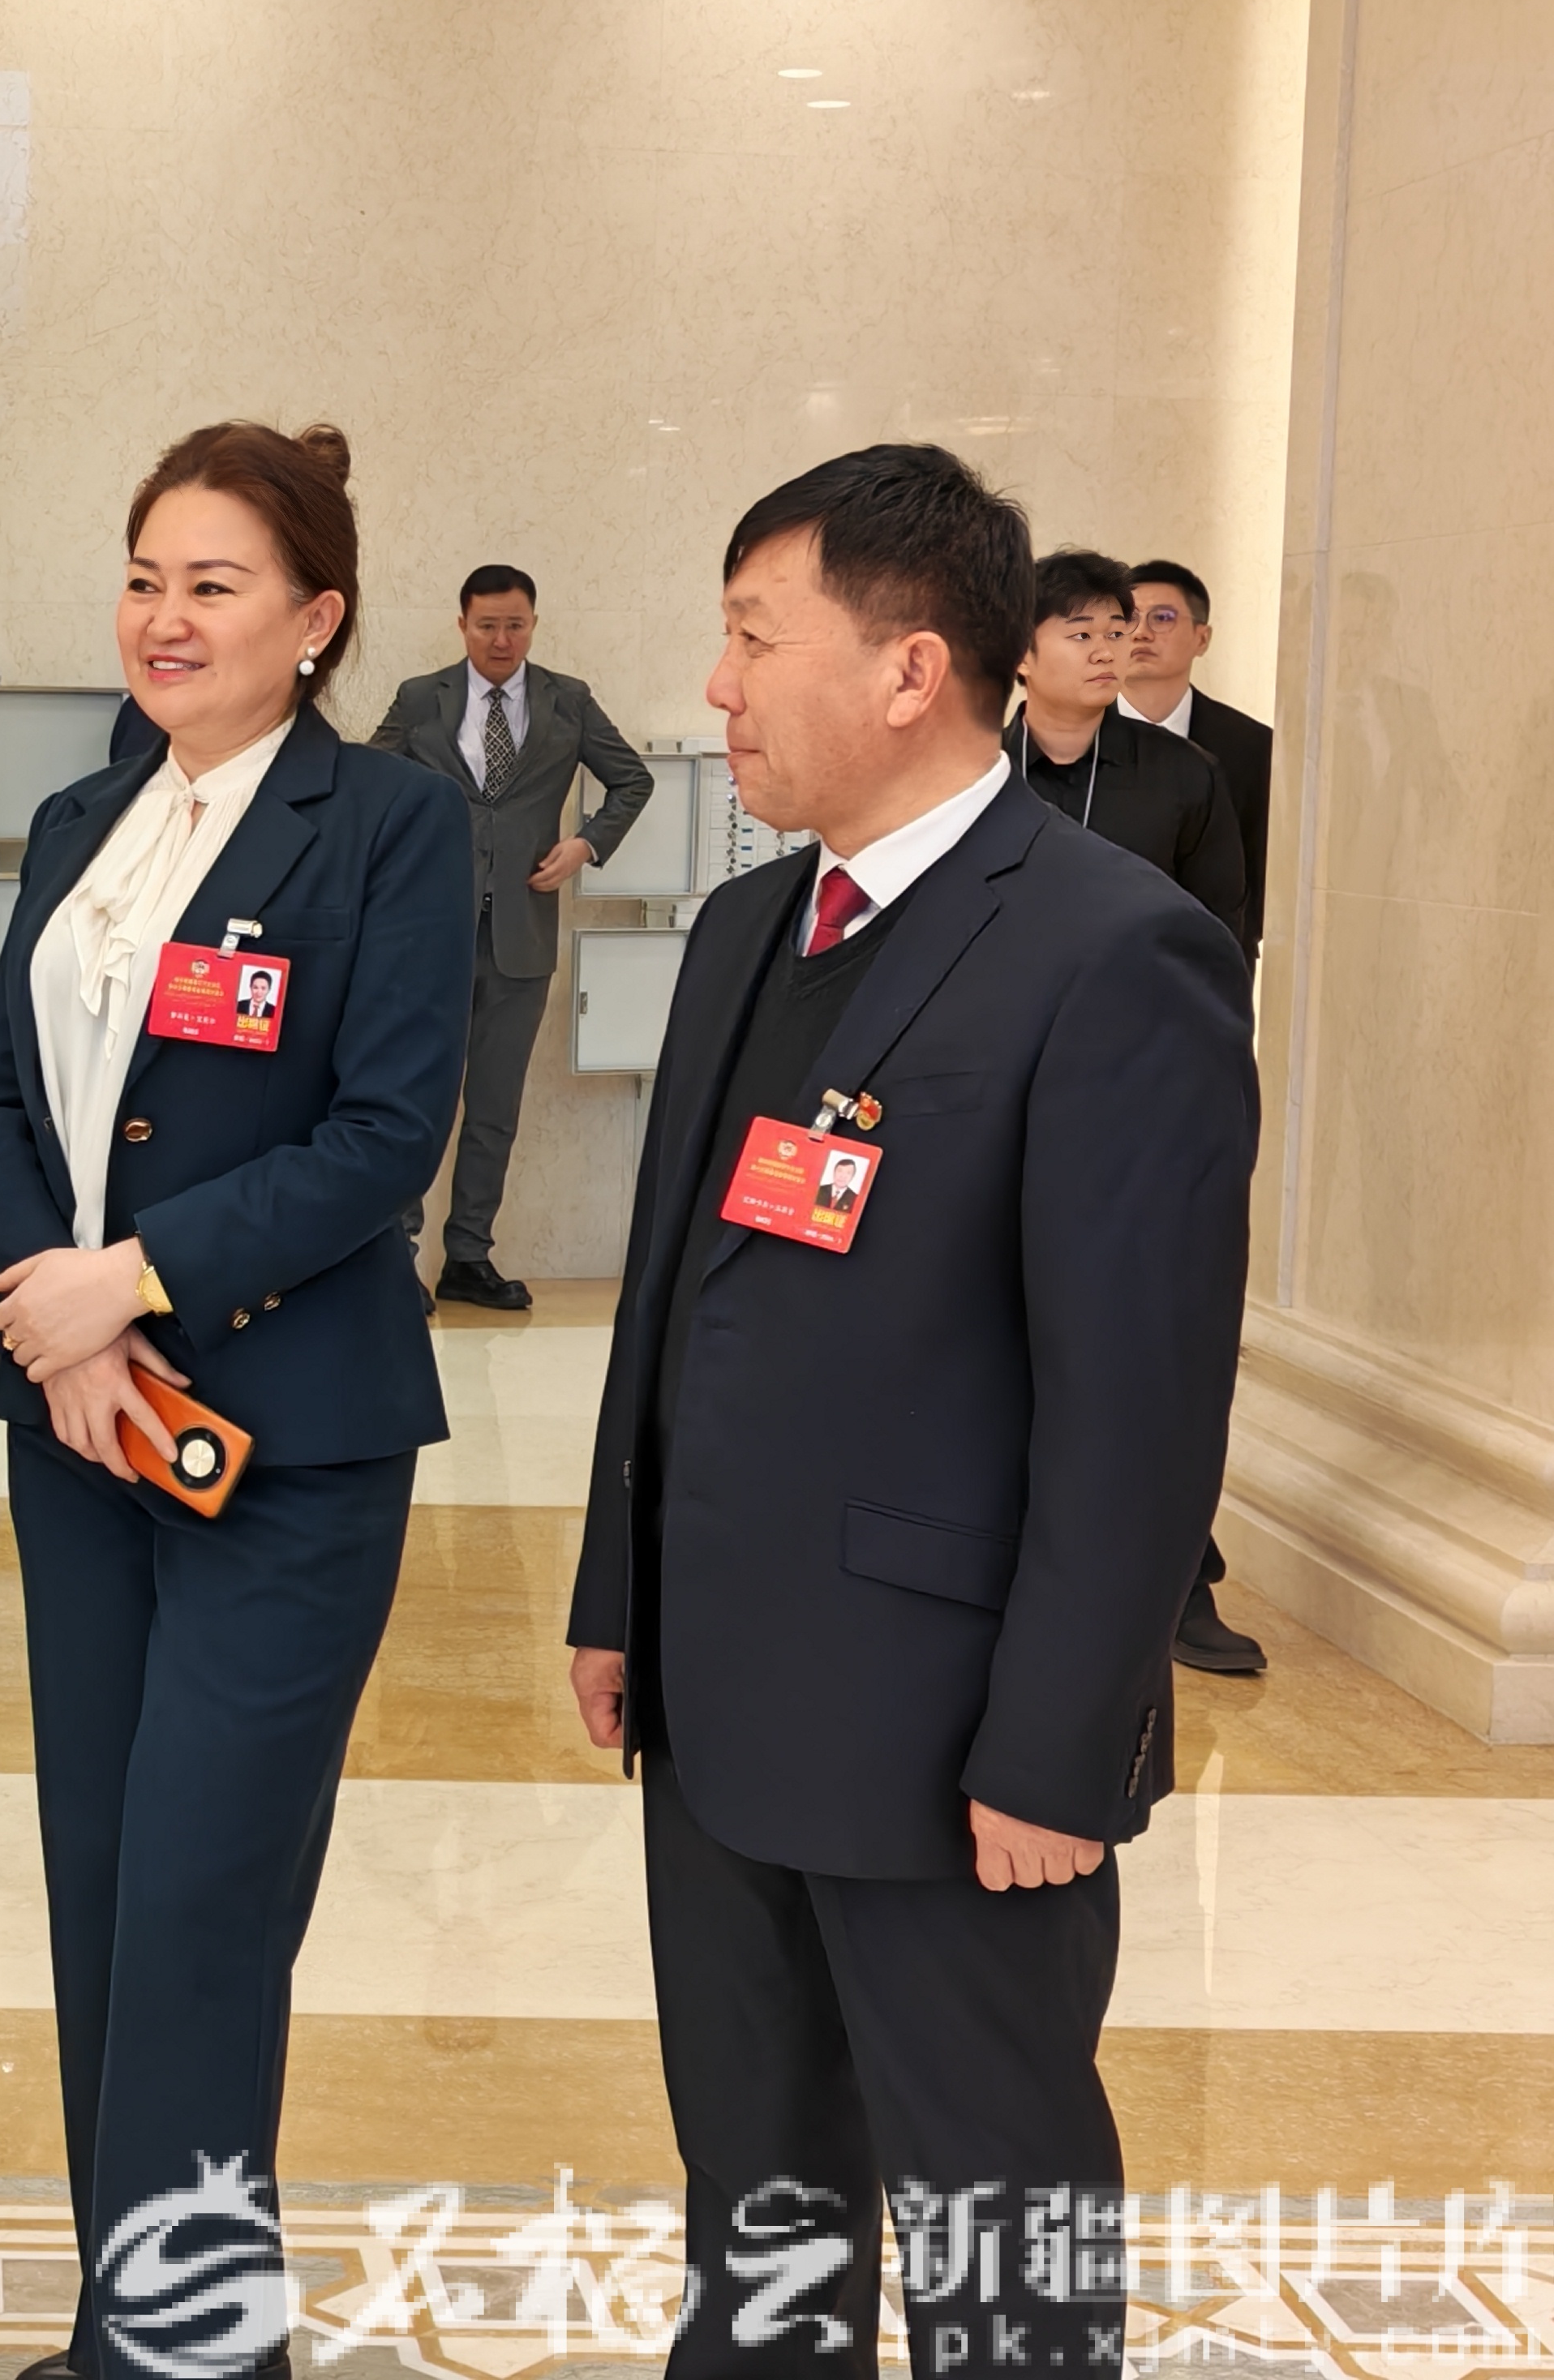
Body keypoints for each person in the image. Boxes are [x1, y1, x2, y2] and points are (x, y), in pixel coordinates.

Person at [565, 443, 1254, 2380]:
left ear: (906, 668)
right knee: (757, 2209)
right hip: (718, 1707)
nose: (714, 686)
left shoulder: (1109, 950)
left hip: (956, 1751)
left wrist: (1057, 1748)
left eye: (750, 637)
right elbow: (674, 1302)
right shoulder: (743, 932)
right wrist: (618, 1594)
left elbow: (1137, 1410)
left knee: (995, 2236)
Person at [0, 421, 468, 2380]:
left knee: (200, 1901)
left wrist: (139, 1276)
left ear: (315, 617)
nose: (162, 617)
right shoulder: (85, 819)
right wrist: (62, 1322)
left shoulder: (389, 823)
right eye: (142, 577)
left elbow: (383, 1131)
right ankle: (140, 2326)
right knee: (99, 1886)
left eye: (212, 584)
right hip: (83, 1431)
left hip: (285, 1451)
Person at [369, 565, 654, 1310]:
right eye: (488, 625)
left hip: (522, 937)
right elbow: (369, 786)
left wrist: (586, 844)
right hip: (428, 935)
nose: (502, 639)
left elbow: (633, 780)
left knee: (494, 1107)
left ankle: (469, 1257)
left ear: (534, 624)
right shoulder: (420, 699)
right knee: (416, 1099)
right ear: (462, 624)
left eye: (515, 625)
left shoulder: (569, 700)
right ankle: (395, 1256)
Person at [1117, 557, 1277, 1675]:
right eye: (1104, 624)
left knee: (1175, 1316)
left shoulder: (1241, 756)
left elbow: (1243, 911)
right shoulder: (1020, 758)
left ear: (1201, 637)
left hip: (1184, 1053)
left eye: (1154, 619)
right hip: (1063, 1064)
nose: (1127, 639)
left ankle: (1184, 1573)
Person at [1002, 548, 1246, 943]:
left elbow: (1216, 935)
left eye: (1116, 634)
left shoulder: (1185, 774)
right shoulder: (973, 772)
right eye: (1082, 635)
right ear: (1020, 654)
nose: (1105, 653)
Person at [1120, 559, 1274, 962]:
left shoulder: (1252, 745)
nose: (1141, 632)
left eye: (1162, 618)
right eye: (1128, 618)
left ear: (1202, 639)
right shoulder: (1074, 736)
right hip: (1096, 968)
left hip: (1214, 964)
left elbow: (1263, 864)